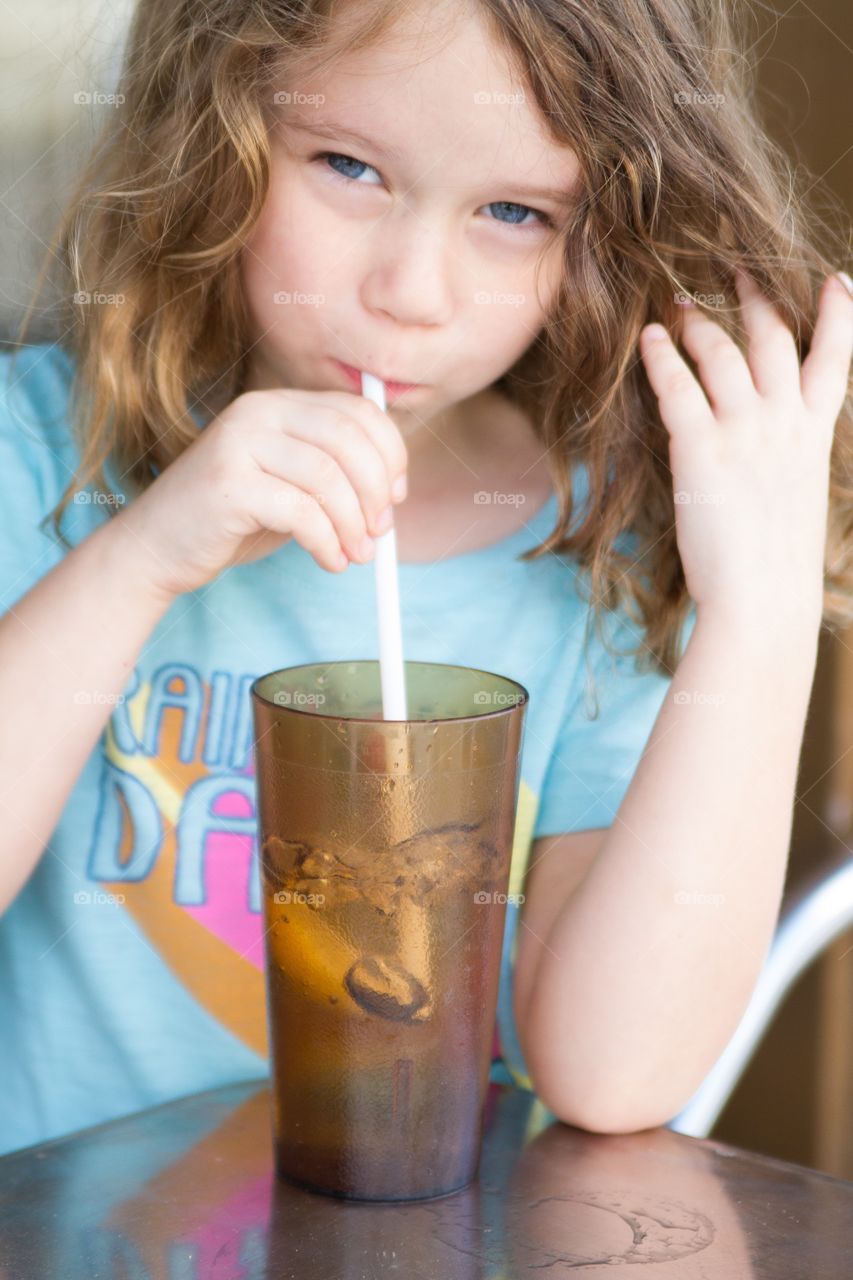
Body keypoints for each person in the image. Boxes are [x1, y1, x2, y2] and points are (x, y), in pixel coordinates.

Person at [0, 0, 851, 1156]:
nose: (411, 289)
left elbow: (614, 1070)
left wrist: (760, 618)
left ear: (599, 237)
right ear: (216, 132)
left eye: (513, 211)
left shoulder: (597, 553)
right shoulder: (40, 456)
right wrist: (138, 560)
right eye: (348, 166)